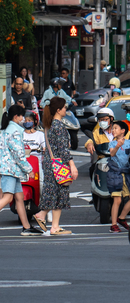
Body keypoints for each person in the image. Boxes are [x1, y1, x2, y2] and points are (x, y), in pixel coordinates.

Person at [32, 98, 77, 235]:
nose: (65, 109)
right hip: (58, 164)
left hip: (50, 162)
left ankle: (51, 223)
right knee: (59, 193)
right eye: (64, 107)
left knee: (55, 193)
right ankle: (50, 222)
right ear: (58, 110)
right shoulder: (58, 126)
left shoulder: (49, 125)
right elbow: (63, 149)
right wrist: (72, 165)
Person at [0, 104, 42, 236]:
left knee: (19, 197)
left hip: (10, 169)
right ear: (16, 117)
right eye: (22, 116)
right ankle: (26, 227)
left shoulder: (7, 129)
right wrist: (28, 169)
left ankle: (26, 227)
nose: (24, 119)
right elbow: (18, 153)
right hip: (11, 170)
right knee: (7, 197)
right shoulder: (15, 131)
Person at [108, 121, 130, 233]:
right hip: (115, 174)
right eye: (112, 128)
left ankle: (121, 218)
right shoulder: (112, 144)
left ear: (123, 131)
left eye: (115, 128)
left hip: (126, 173)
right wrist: (118, 146)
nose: (113, 130)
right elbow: (112, 154)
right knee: (117, 200)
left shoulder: (129, 143)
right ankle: (113, 224)